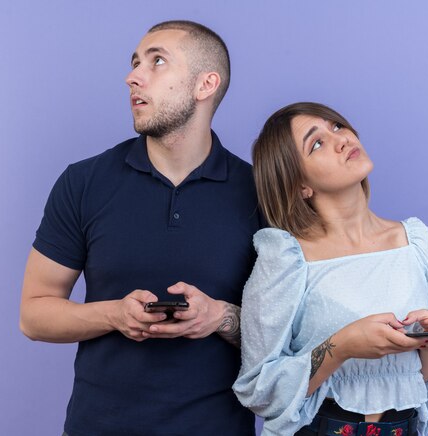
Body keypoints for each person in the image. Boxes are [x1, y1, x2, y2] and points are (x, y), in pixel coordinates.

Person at [19, 20, 261, 436]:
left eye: (157, 62)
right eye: (135, 63)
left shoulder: (260, 192)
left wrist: (220, 317)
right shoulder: (84, 182)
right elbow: (34, 314)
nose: (132, 77)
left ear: (205, 85)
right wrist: (114, 314)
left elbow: (293, 336)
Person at [233, 102, 428, 436]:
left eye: (337, 127)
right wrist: (343, 346)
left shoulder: (415, 242)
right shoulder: (286, 259)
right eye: (317, 143)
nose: (341, 139)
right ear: (300, 185)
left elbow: (424, 381)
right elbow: (261, 390)